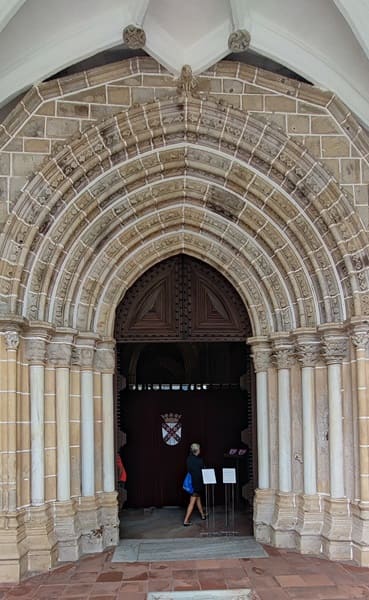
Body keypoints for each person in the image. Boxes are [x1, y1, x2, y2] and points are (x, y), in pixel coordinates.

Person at [183, 442, 207, 526]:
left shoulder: (188, 459)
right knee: (192, 502)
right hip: (197, 484)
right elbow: (203, 470)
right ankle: (186, 520)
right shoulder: (200, 460)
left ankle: (203, 515)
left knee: (198, 499)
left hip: (192, 482)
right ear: (197, 451)